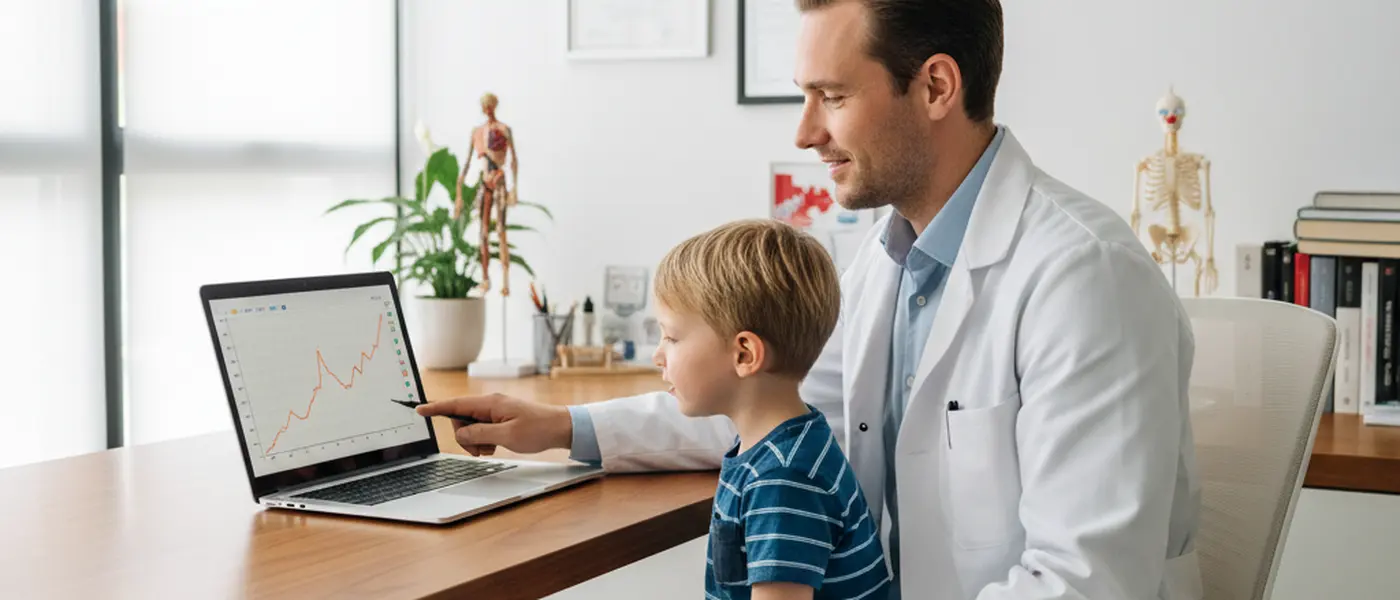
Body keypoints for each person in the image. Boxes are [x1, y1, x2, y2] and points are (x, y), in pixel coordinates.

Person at [417, 0, 1203, 598]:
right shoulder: (890, 261)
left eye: (830, 96)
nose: (803, 132)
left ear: (934, 85)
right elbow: (768, 399)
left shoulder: (1085, 278)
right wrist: (561, 425)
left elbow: (1086, 581)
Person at [659, 219, 891, 599]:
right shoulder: (778, 448)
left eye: (671, 337)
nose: (658, 355)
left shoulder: (783, 479)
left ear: (744, 353)